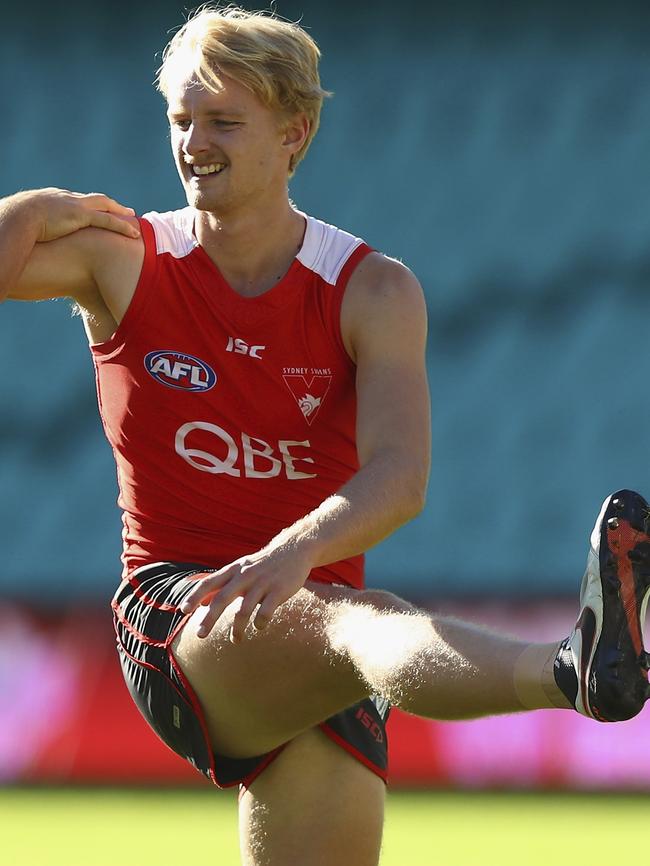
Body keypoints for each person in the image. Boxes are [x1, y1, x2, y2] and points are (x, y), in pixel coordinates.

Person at [1, 6, 649, 865]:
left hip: (322, 639)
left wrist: (293, 555)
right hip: (180, 612)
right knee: (361, 621)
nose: (195, 141)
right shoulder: (123, 257)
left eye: (224, 121)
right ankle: (570, 671)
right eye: (181, 120)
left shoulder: (372, 290)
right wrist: (34, 206)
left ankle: (574, 666)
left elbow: (400, 478)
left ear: (293, 133)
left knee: (348, 628)